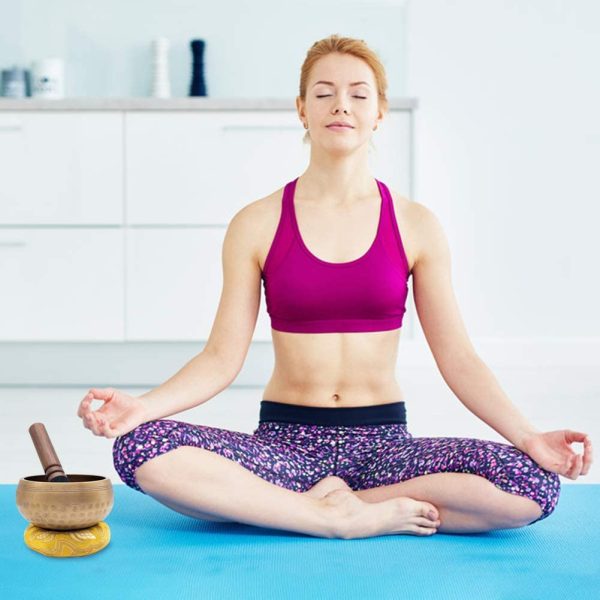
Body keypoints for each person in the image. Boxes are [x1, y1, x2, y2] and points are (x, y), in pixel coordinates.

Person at [77, 34, 592, 540]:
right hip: (283, 446)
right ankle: (331, 516)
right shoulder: (256, 223)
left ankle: (300, 509)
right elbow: (220, 358)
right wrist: (142, 408)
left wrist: (529, 438)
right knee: (139, 447)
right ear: (302, 109)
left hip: (386, 449)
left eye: (358, 94)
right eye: (323, 93)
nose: (340, 105)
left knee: (532, 483)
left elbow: (457, 356)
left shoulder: (416, 225)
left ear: (379, 112)